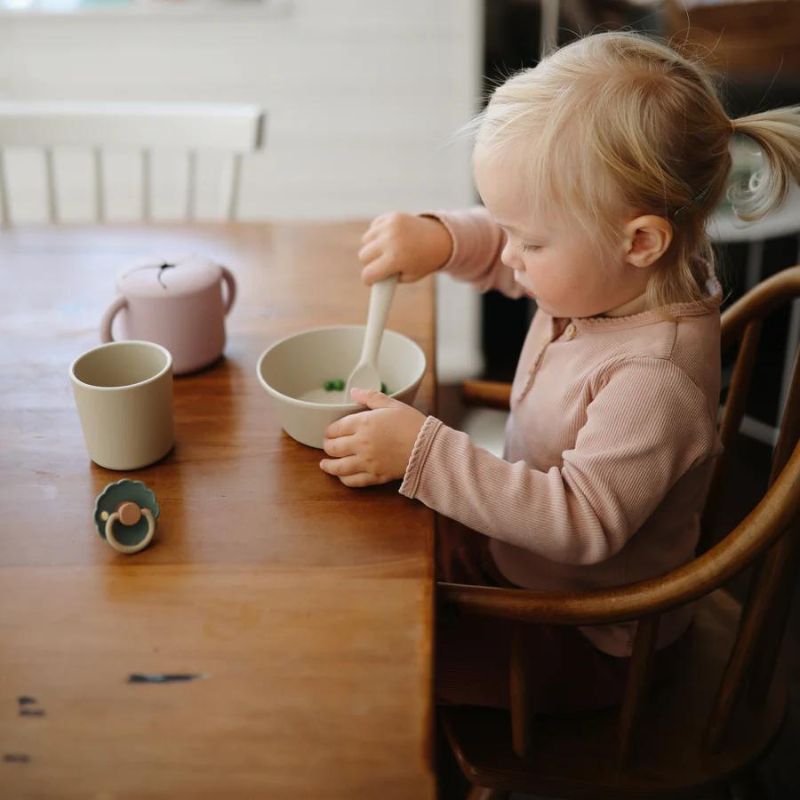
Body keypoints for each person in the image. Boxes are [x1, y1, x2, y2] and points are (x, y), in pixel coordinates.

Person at [318, 31, 800, 712]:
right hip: (519, 554)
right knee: (359, 557)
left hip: (588, 632)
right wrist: (445, 238)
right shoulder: (615, 277)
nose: (509, 255)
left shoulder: (653, 379)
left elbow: (580, 523)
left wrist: (426, 452)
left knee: (374, 661)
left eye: (531, 241)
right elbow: (516, 240)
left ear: (640, 240)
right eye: (508, 229)